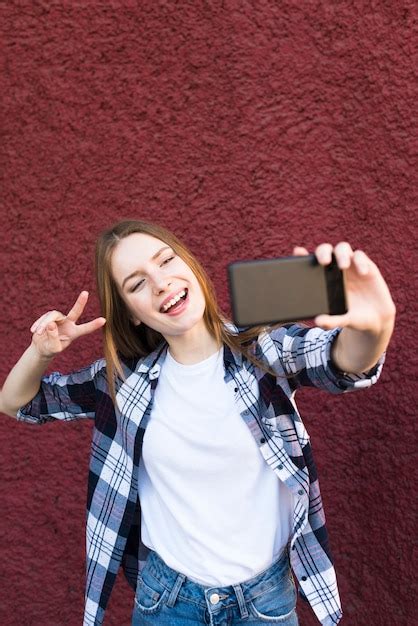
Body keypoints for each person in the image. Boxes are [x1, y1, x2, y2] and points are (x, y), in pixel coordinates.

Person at [0, 220, 396, 626]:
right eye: (136, 284)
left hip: (265, 603)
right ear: (131, 314)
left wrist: (375, 325)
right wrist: (41, 351)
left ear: (189, 265)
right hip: (167, 604)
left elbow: (345, 360)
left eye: (166, 261)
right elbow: (16, 402)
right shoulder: (123, 384)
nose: (160, 283)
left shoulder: (263, 351)